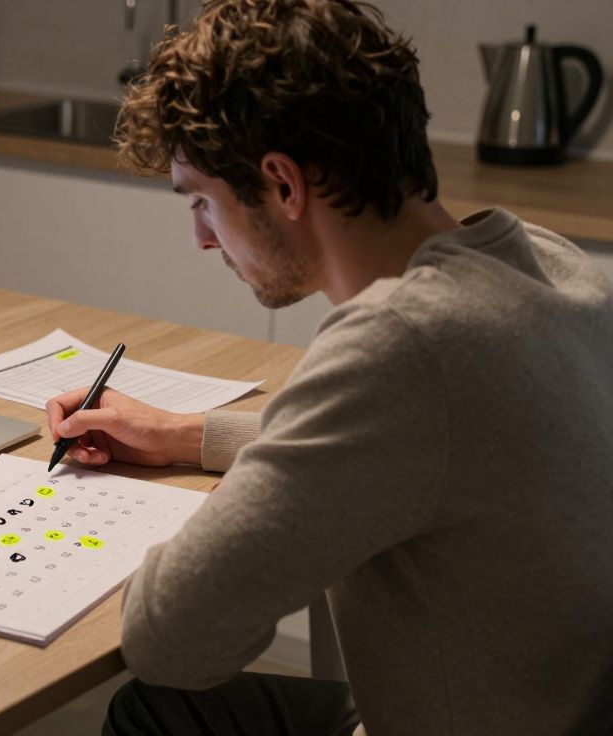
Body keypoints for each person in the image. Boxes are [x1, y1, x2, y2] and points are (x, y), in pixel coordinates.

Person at [45, 1, 613, 734]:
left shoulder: (401, 345)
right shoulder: (545, 262)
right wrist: (182, 435)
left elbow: (171, 639)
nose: (203, 241)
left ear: (282, 184)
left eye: (203, 205)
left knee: (157, 704)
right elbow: (422, 448)